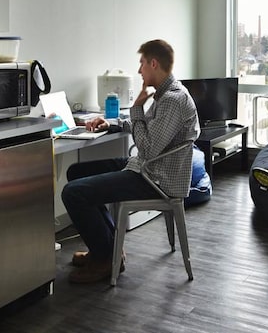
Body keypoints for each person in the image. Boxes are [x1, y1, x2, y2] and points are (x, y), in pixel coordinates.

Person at [61, 39, 200, 283]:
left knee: (74, 193)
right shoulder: (165, 94)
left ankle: (105, 259)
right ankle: (109, 249)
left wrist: (136, 108)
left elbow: (146, 148)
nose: (139, 70)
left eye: (142, 64)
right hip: (147, 169)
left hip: (155, 178)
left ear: (154, 63)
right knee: (76, 173)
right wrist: (112, 124)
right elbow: (148, 130)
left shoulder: (172, 100)